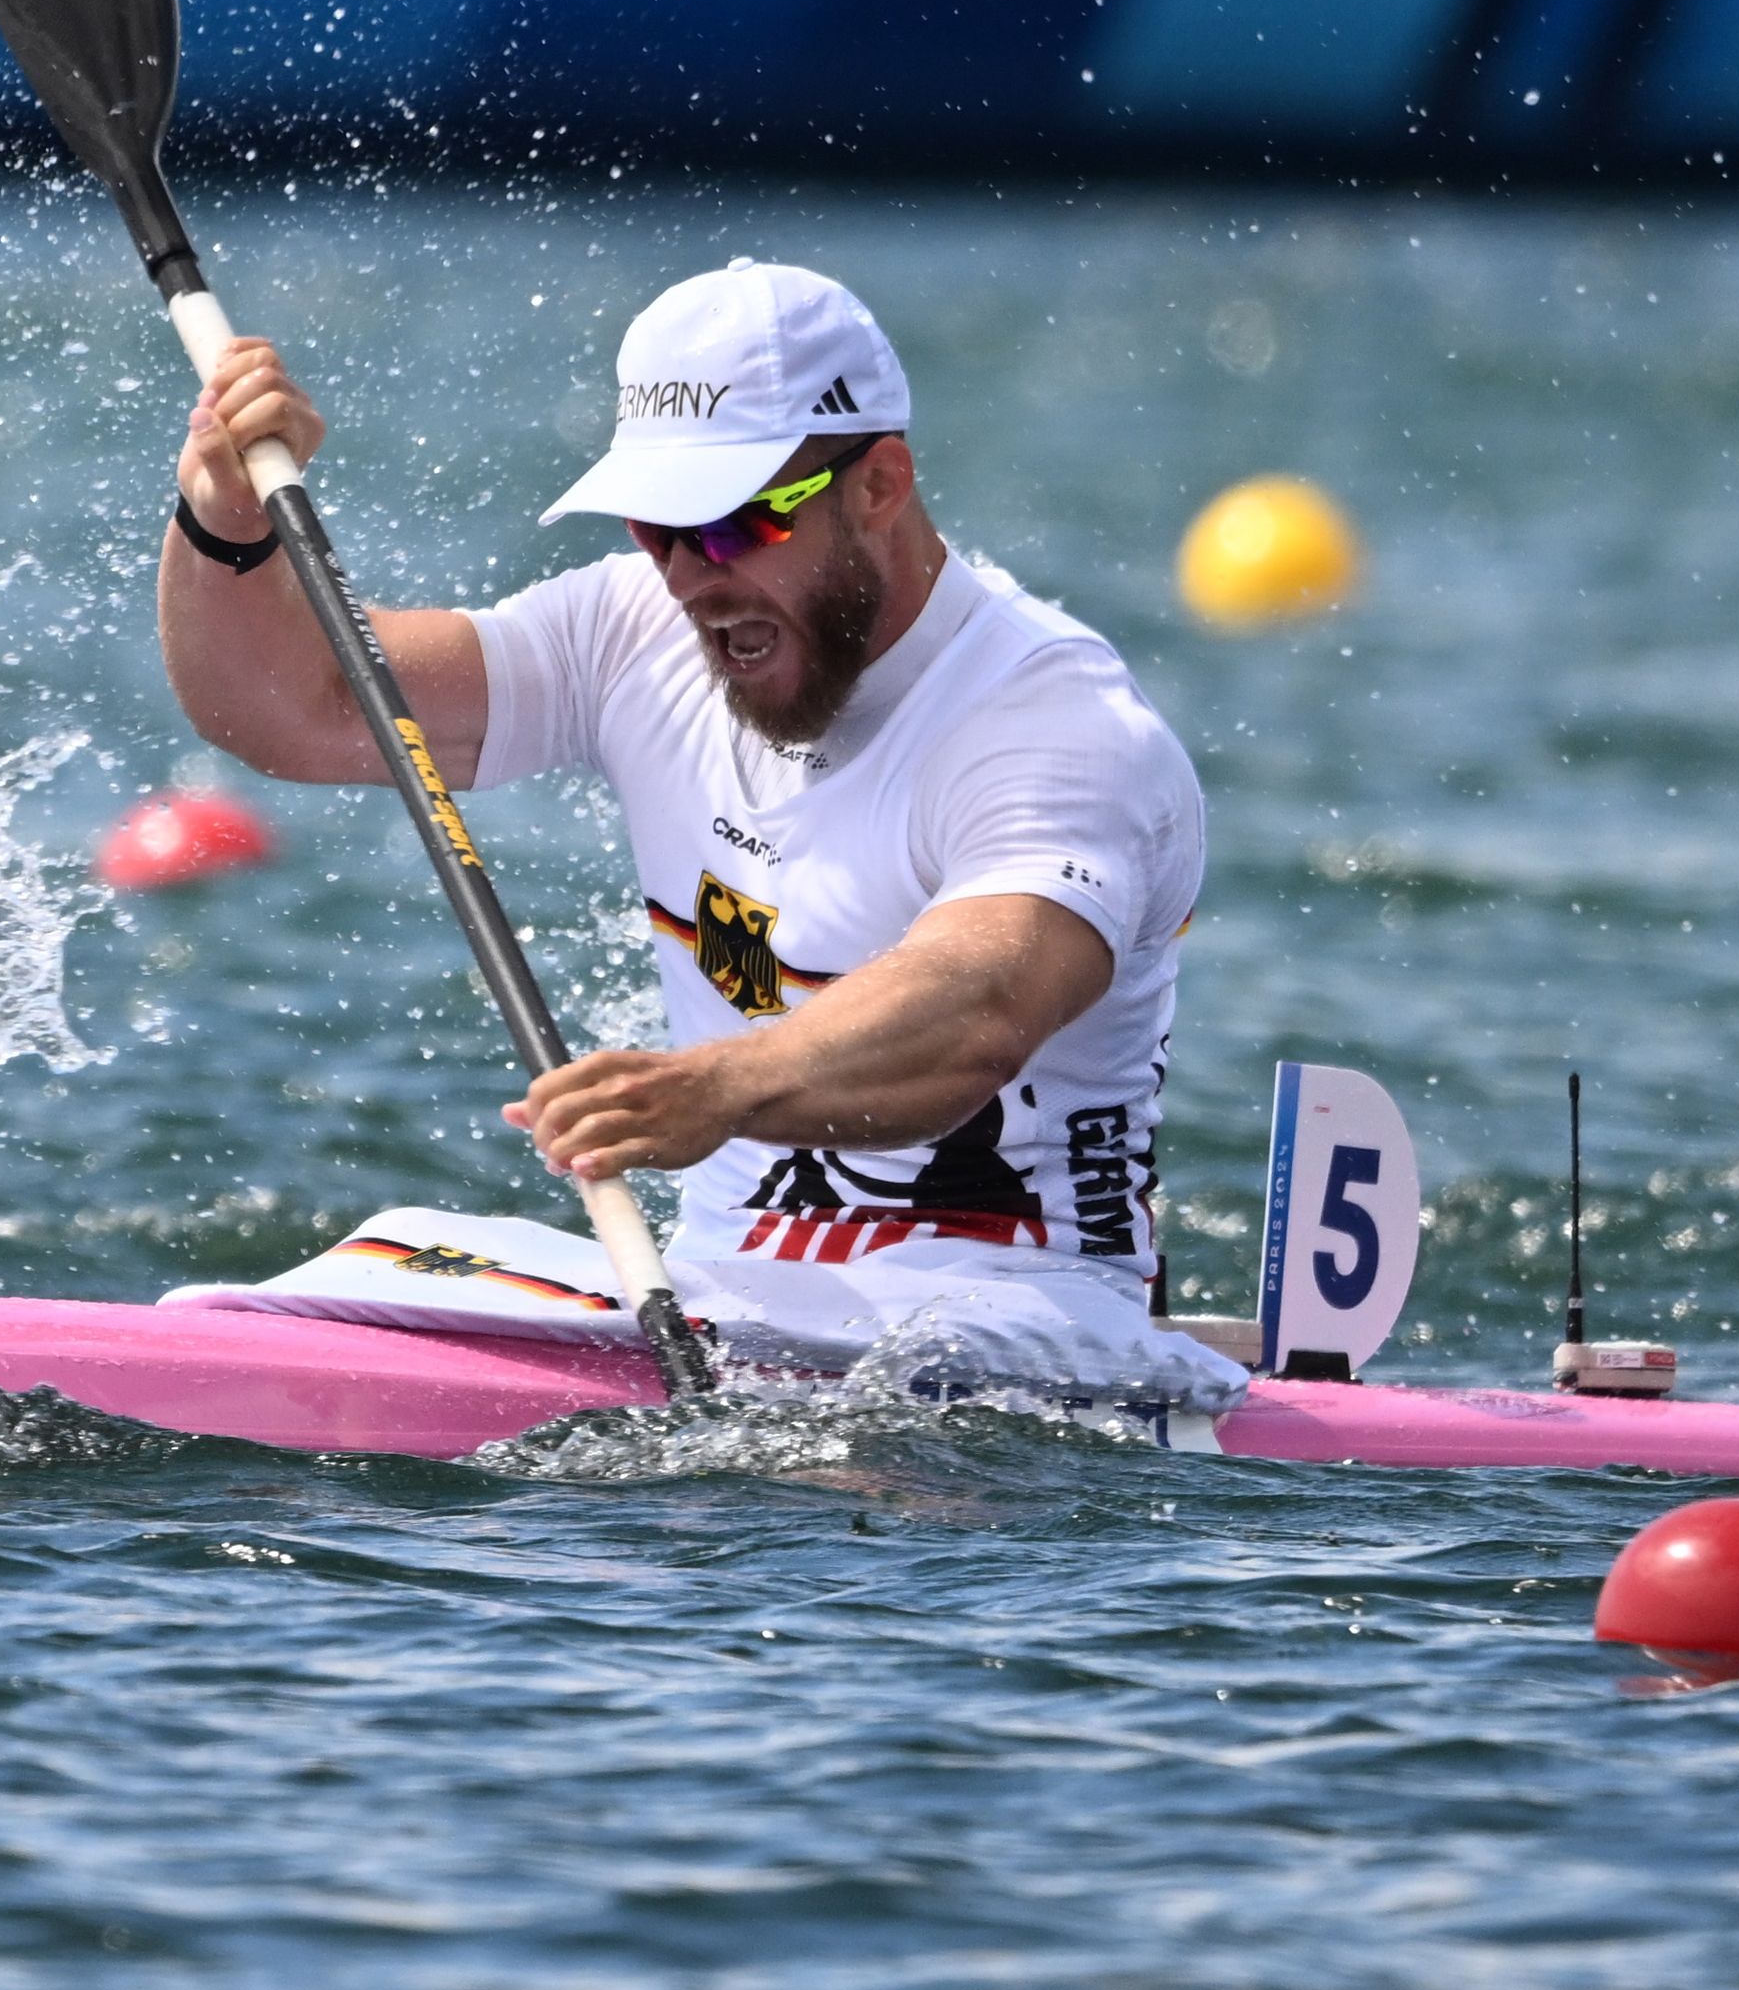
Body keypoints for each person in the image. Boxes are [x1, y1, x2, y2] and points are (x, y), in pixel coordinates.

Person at [155, 257, 1213, 1377]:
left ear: (881, 484)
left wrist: (719, 1089)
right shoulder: (630, 634)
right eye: (656, 530)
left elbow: (983, 1002)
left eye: (734, 527)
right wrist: (226, 517)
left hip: (1020, 1318)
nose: (692, 578)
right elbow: (292, 707)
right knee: (292, 1298)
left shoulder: (1052, 720)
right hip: (716, 1306)